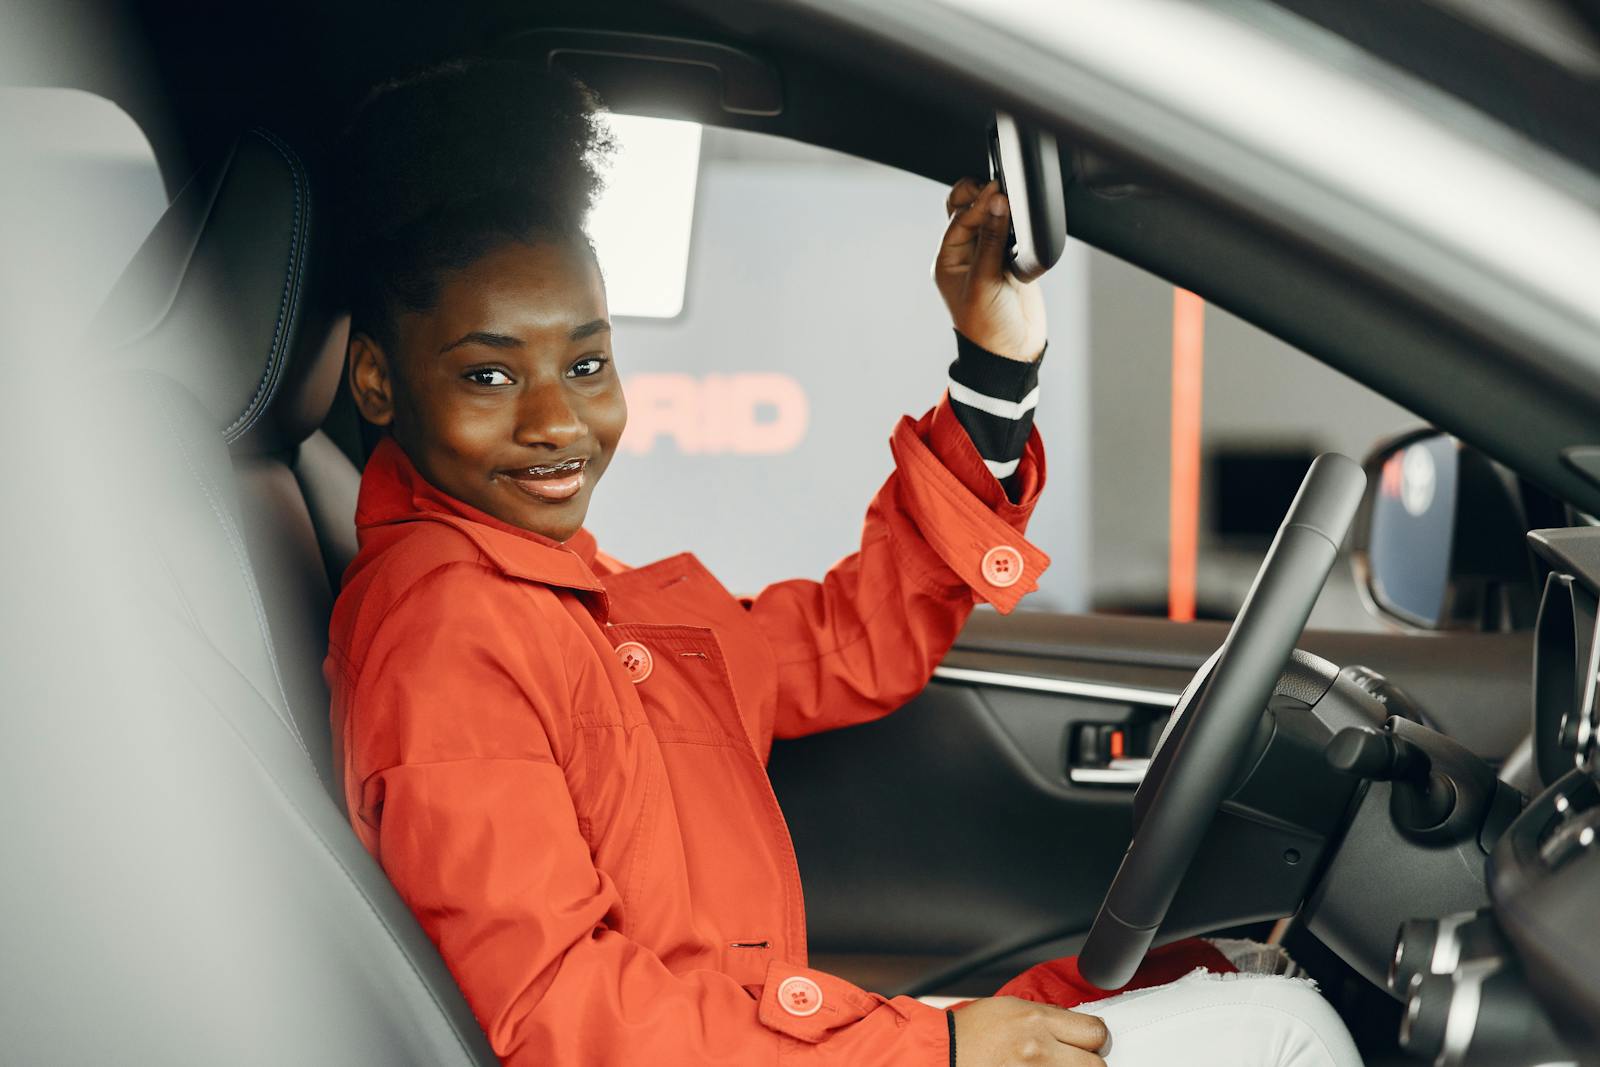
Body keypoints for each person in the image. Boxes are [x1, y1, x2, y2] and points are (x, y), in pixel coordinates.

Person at [325, 60, 1363, 1066]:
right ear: (376, 378)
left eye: (588, 362)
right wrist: (937, 1050)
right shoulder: (450, 635)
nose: (557, 419)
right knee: (1279, 1033)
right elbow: (560, 1011)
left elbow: (843, 643)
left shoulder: (558, 591)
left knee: (1230, 971)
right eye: (489, 372)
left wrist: (991, 372)